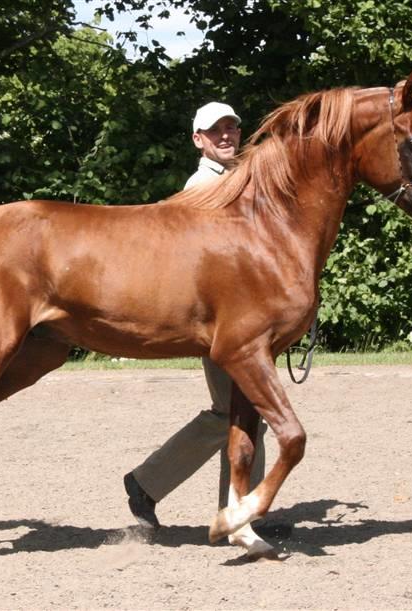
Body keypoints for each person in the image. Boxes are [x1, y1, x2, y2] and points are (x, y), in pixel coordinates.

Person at [123, 102, 268, 531]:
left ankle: (236, 512)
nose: (226, 136)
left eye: (232, 128)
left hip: (233, 318)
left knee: (238, 413)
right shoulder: (203, 185)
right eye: (215, 131)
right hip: (219, 319)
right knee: (237, 412)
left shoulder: (237, 179)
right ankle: (151, 484)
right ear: (198, 140)